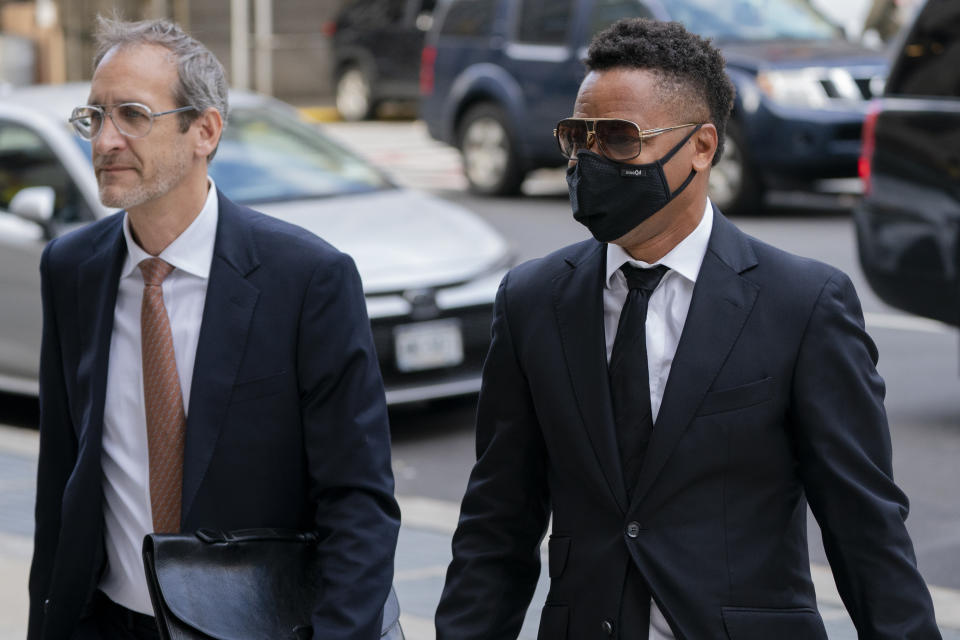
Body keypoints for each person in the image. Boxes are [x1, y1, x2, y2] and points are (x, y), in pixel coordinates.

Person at [435, 18, 941, 640]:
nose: (588, 160)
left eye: (619, 139)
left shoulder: (803, 302)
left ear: (701, 147)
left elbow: (865, 525)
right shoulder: (532, 299)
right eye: (577, 137)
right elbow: (497, 519)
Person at [27, 17, 399, 640]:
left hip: (259, 624)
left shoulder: (307, 278)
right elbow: (60, 478)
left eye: (133, 115)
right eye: (94, 115)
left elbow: (358, 499)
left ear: (204, 130)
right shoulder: (70, 269)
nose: (105, 140)